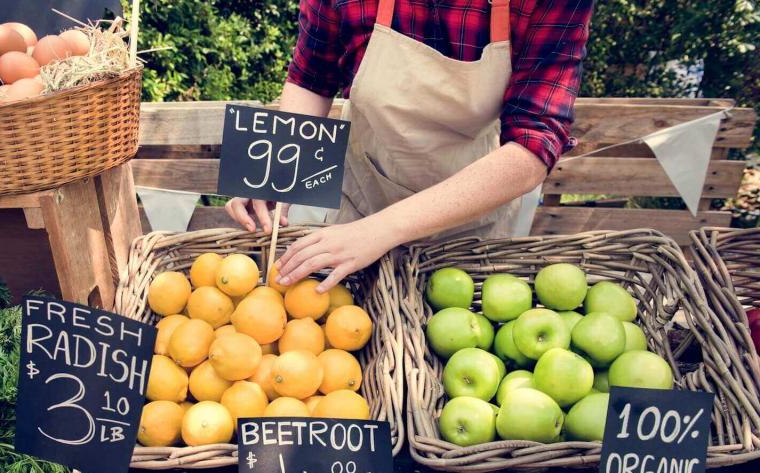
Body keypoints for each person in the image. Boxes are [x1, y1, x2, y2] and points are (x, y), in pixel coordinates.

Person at [225, 0, 595, 292]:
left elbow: (533, 145)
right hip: (359, 208)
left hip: (469, 228)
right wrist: (276, 169)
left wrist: (383, 230)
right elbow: (311, 78)